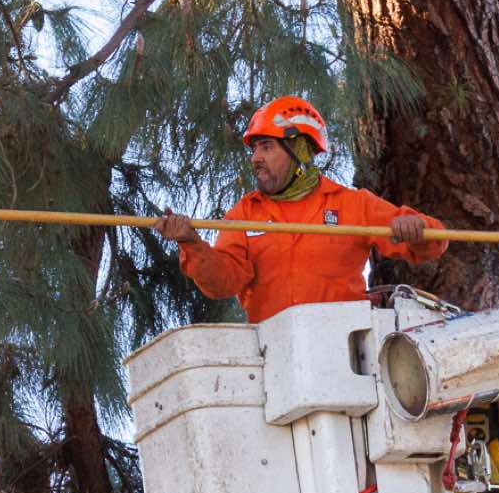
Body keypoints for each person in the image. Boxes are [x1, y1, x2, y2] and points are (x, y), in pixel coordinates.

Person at [155, 97, 447, 324]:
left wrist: (417, 230)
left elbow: (435, 242)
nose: (255, 158)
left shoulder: (351, 204)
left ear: (301, 152)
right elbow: (222, 283)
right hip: (274, 357)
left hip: (343, 351)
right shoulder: (244, 214)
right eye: (254, 149)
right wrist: (191, 244)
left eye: (267, 147)